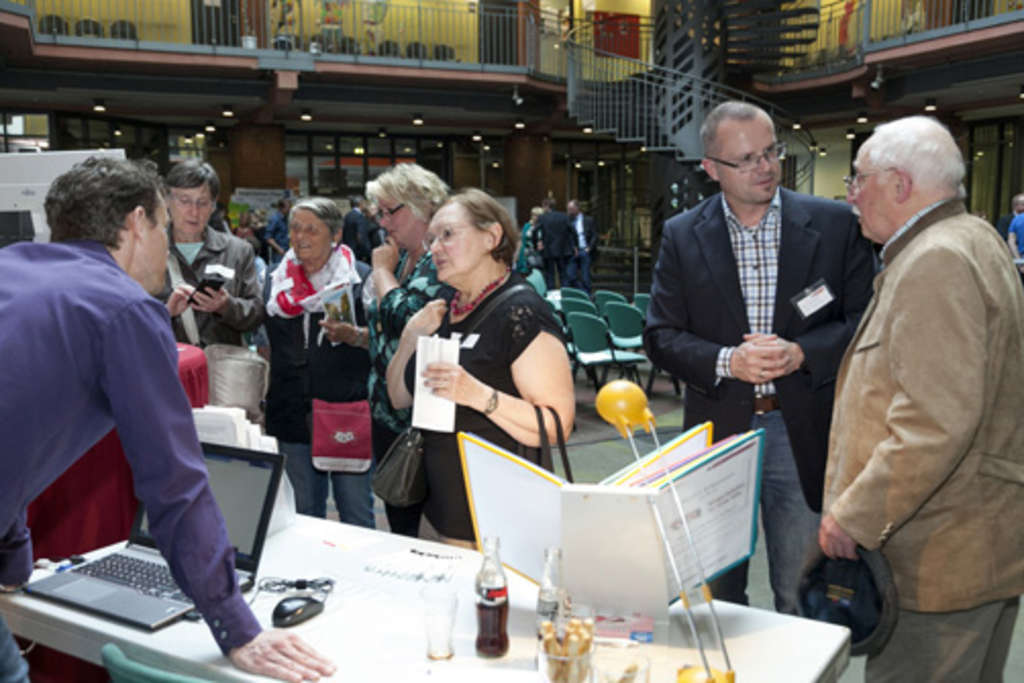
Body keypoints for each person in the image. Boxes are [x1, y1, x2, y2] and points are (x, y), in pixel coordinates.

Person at [0, 157, 334, 683]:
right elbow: (174, 482)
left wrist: (12, 564)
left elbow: (15, 432)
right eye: (162, 223)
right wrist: (236, 627)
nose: (166, 244)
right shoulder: (125, 308)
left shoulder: (12, 266)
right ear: (137, 223)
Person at [643, 100, 875, 614]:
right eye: (746, 159)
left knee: (800, 592)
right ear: (711, 169)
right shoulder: (683, 235)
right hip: (719, 435)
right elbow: (659, 335)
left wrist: (802, 353)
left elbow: (867, 321)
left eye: (771, 152)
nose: (766, 167)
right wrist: (729, 361)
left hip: (802, 434)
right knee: (717, 597)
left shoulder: (835, 225)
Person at [820, 115, 1024, 681]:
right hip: (969, 549)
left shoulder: (935, 260)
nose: (851, 196)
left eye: (858, 180)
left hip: (935, 564)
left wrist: (853, 516)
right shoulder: (973, 238)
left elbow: (933, 423)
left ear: (899, 184)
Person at [385, 189, 575, 546]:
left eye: (448, 235)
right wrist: (411, 335)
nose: (434, 249)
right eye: (431, 239)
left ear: (492, 237)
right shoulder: (443, 311)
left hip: (497, 524)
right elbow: (397, 397)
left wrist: (476, 395)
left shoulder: (521, 312)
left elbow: (556, 425)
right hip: (435, 512)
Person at [265, 197, 374, 527]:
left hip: (344, 410)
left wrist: (354, 335)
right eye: (295, 228)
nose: (300, 237)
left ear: (336, 234)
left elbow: (384, 340)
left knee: (356, 514)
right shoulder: (275, 279)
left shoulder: (359, 279)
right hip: (291, 411)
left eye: (312, 229)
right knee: (302, 517)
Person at [364, 163, 453, 537]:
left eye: (390, 211)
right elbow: (388, 332)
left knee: (425, 530)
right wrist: (355, 335)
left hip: (420, 420)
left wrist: (382, 274)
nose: (384, 223)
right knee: (399, 522)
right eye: (379, 213)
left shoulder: (442, 261)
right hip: (386, 413)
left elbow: (410, 321)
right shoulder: (401, 257)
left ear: (420, 205)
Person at [156, 160, 264, 347]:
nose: (194, 211)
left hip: (222, 369)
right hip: (166, 365)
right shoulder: (149, 250)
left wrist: (226, 306)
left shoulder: (237, 250)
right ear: (166, 200)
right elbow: (129, 317)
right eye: (184, 201)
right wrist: (166, 312)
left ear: (213, 206)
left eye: (203, 202)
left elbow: (257, 313)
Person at [535, 197, 574, 289]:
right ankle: (565, 294)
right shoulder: (564, 216)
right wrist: (574, 245)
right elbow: (573, 231)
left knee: (550, 275)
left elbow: (535, 231)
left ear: (546, 206)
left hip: (548, 250)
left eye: (543, 206)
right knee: (563, 274)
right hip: (563, 249)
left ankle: (551, 295)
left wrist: (536, 243)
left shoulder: (542, 218)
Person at [566, 199, 597, 293]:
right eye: (568, 209)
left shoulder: (588, 220)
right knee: (570, 275)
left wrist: (589, 248)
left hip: (584, 250)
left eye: (571, 208)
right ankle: (581, 291)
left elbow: (594, 235)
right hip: (572, 251)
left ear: (577, 208)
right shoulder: (568, 220)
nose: (569, 211)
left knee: (585, 276)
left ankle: (587, 295)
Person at [342, 195, 373, 263]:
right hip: (357, 253)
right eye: (365, 203)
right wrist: (367, 252)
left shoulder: (347, 215)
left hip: (347, 251)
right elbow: (360, 236)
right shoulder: (359, 217)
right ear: (360, 203)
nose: (366, 205)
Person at [515, 206, 544, 275]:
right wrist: (517, 253)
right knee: (524, 273)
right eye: (533, 215)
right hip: (525, 253)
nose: (535, 217)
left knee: (537, 273)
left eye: (537, 215)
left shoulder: (543, 226)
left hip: (538, 254)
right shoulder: (527, 226)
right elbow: (521, 240)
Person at [265, 198, 291, 267]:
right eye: (288, 207)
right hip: (278, 253)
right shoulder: (275, 219)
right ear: (281, 208)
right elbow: (268, 238)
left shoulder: (285, 219)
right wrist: (279, 249)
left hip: (286, 251)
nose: (289, 210)